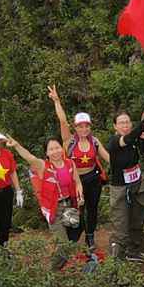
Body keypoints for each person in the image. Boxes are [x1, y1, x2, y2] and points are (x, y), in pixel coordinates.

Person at [1, 133, 83, 268]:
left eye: (57, 147)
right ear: (46, 153)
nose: (55, 151)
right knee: (64, 246)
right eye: (51, 149)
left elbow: (77, 182)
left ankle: (60, 263)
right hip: (54, 208)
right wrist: (16, 145)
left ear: (62, 148)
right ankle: (51, 272)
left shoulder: (70, 163)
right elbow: (29, 157)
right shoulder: (43, 166)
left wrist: (80, 193)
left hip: (69, 205)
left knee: (76, 233)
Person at [50, 85, 112, 262]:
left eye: (86, 126)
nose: (83, 129)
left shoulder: (94, 141)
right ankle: (72, 238)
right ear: (75, 127)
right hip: (74, 181)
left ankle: (90, 236)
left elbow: (108, 157)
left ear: (90, 127)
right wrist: (56, 101)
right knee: (77, 209)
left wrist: (125, 163)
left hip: (92, 179)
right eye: (80, 126)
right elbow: (62, 121)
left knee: (92, 209)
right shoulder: (69, 141)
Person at [107, 88, 144, 261]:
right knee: (121, 224)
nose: (125, 125)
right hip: (120, 188)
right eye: (121, 123)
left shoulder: (134, 138)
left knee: (137, 219)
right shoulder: (115, 141)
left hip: (137, 183)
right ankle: (116, 261)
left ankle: (134, 251)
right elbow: (129, 138)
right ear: (115, 126)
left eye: (127, 122)